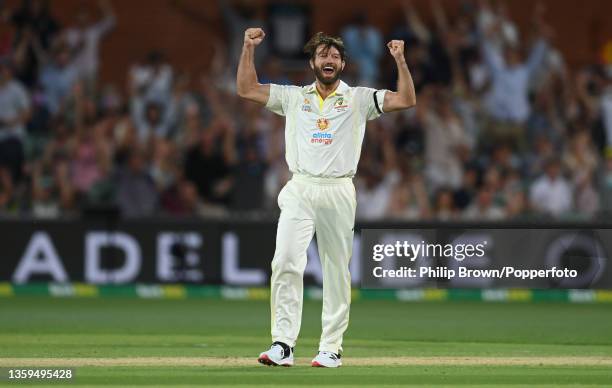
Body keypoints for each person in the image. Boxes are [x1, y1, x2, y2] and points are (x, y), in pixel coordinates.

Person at [236, 28, 416, 367]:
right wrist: (247, 48)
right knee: (286, 261)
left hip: (338, 189)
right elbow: (246, 89)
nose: (328, 60)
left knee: (336, 270)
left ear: (343, 64)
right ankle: (283, 345)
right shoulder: (293, 97)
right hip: (300, 187)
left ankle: (330, 347)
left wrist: (400, 61)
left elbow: (406, 100)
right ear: (313, 62)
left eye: (334, 56)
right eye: (323, 55)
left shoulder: (359, 98)